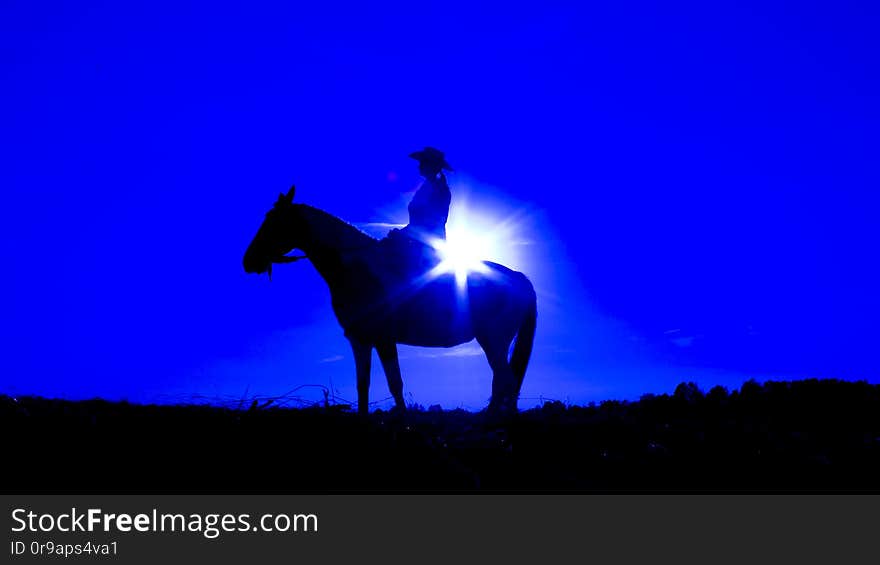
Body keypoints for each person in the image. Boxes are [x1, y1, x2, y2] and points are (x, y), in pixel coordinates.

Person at [384, 147, 454, 276]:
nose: (419, 166)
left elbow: (430, 221)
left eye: (423, 162)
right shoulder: (428, 187)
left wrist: (404, 234)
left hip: (425, 247)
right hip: (417, 240)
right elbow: (418, 222)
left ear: (431, 165)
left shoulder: (439, 189)